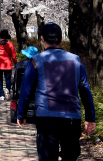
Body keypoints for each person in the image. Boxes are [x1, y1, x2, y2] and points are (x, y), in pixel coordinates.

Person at [17, 23, 96, 161]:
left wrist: (21, 113)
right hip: (71, 118)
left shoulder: (36, 61)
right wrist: (90, 118)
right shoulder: (76, 60)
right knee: (70, 157)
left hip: (46, 118)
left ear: (42, 39)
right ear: (61, 39)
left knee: (47, 158)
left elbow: (26, 89)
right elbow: (85, 89)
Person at [0, 29, 17, 100]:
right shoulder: (10, 44)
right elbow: (14, 56)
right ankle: (7, 90)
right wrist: (16, 64)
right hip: (8, 65)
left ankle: (1, 95)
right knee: (8, 79)